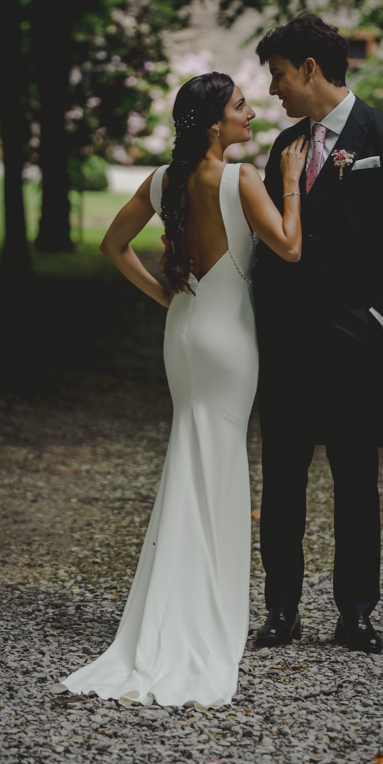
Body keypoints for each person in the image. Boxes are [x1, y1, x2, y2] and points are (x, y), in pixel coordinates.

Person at [54, 72, 307, 707]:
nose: (251, 115)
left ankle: (173, 604)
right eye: (241, 107)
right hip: (228, 343)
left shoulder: (163, 180)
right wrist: (292, 187)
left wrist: (165, 298)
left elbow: (114, 246)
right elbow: (291, 247)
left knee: (189, 460)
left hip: (183, 333)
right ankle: (205, 613)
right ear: (215, 123)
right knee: (217, 467)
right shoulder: (242, 178)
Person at [252, 13, 383, 654]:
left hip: (358, 347)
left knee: (355, 481)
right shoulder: (285, 147)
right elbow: (275, 248)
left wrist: (376, 324)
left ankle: (356, 613)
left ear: (310, 68)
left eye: (279, 74)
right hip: (287, 348)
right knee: (281, 481)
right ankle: (280, 610)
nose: (273, 89)